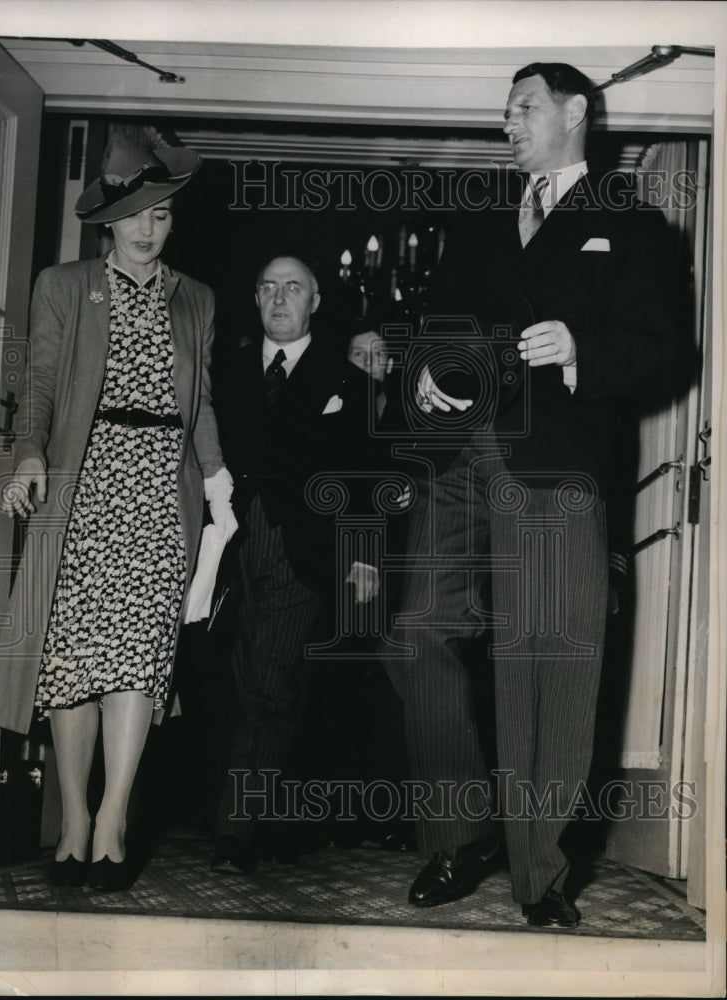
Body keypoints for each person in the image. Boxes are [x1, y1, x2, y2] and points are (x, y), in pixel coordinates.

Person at [387, 62, 678, 926]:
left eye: (524, 106)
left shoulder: (632, 226)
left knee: (545, 663)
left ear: (575, 111)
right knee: (413, 632)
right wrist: (429, 376)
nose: (507, 122)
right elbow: (436, 332)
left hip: (555, 463)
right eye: (506, 111)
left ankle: (539, 871)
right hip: (463, 455)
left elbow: (664, 351)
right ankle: (462, 829)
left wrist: (582, 345)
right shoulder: (479, 221)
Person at [0, 132, 236, 891]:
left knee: (138, 658)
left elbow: (202, 404)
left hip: (162, 487)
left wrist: (218, 479)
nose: (148, 228)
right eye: (134, 214)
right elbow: (44, 384)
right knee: (72, 664)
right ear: (107, 221)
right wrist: (28, 453)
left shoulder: (197, 298)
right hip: (85, 483)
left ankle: (116, 817)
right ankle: (77, 817)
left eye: (161, 213)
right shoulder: (64, 285)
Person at [209, 254, 377, 874]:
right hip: (225, 545)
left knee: (269, 685)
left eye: (294, 289)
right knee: (233, 681)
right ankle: (259, 814)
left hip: (302, 546)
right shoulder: (224, 371)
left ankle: (237, 827)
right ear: (255, 298)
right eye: (269, 288)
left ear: (315, 302)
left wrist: (364, 558)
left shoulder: (347, 374)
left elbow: (366, 472)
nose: (280, 299)